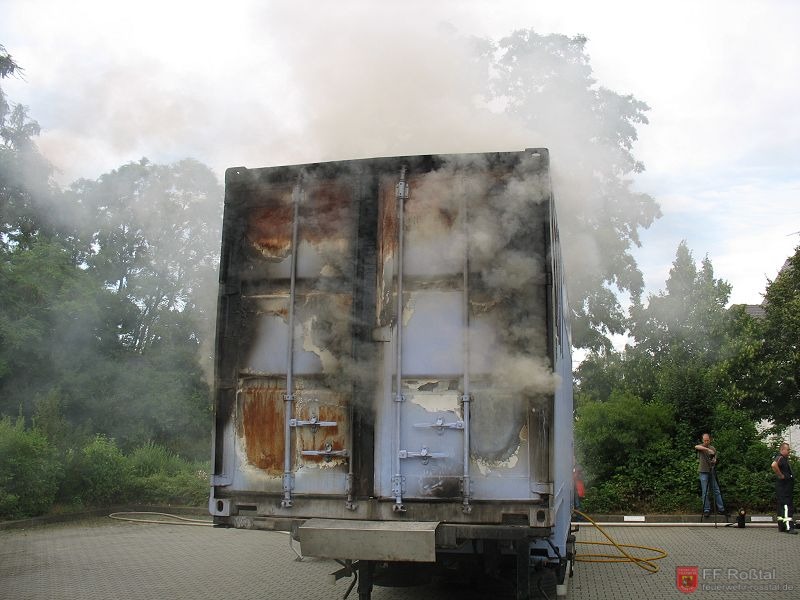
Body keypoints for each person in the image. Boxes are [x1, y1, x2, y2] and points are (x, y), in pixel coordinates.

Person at [694, 433, 725, 517]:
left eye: (707, 440)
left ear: (710, 440)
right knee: (705, 492)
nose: (706, 442)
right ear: (702, 440)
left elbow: (715, 459)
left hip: (711, 471)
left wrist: (714, 460)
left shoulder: (713, 448)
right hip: (703, 472)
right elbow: (696, 447)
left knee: (716, 490)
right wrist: (707, 450)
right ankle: (706, 510)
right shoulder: (701, 447)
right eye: (705, 440)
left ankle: (721, 509)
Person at [771, 442, 796, 534]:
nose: (789, 451)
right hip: (784, 487)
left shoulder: (784, 459)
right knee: (786, 506)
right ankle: (789, 527)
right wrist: (781, 475)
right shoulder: (780, 457)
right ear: (782, 450)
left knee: (782, 506)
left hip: (785, 488)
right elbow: (774, 465)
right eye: (788, 449)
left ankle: (782, 526)